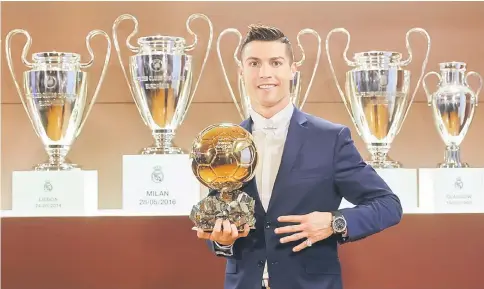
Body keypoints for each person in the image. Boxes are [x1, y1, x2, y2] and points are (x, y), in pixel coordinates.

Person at [195, 24, 403, 289]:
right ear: (242, 72)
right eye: (254, 63)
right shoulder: (224, 144)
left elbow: (388, 205)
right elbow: (217, 226)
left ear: (293, 70)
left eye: (276, 62)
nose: (265, 73)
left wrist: (334, 222)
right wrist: (222, 241)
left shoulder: (331, 139)